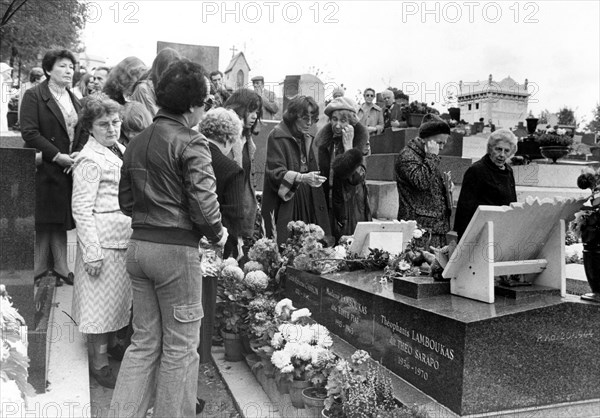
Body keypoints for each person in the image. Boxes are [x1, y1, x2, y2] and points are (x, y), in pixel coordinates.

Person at [112, 59, 227, 418]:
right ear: (193, 105)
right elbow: (205, 208)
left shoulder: (136, 141)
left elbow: (126, 202)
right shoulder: (193, 142)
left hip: (138, 248)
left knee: (144, 343)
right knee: (180, 347)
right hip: (176, 253)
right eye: (204, 103)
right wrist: (218, 233)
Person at [71, 95, 132, 388]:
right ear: (90, 128)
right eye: (103, 124)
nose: (111, 128)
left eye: (116, 122)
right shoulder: (88, 159)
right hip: (103, 243)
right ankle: (99, 362)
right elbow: (81, 209)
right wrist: (92, 253)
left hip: (123, 239)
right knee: (98, 307)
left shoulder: (119, 149)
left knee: (116, 303)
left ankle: (112, 346)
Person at [20, 49, 88, 286]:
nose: (69, 70)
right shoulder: (34, 96)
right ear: (48, 70)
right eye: (62, 66)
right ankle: (39, 267)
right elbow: (29, 132)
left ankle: (60, 266)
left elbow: (83, 129)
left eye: (71, 66)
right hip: (44, 166)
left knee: (60, 220)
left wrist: (77, 153)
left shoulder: (75, 98)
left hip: (67, 167)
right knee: (43, 220)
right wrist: (57, 155)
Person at [197, 107, 244, 363]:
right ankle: (201, 355)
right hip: (212, 243)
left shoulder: (190, 154)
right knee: (205, 299)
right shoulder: (230, 168)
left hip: (184, 239)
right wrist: (234, 247)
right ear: (229, 138)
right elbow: (234, 213)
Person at [262, 95, 331, 245]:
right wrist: (302, 178)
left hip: (307, 197)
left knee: (308, 245)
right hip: (288, 199)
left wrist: (314, 179)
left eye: (313, 118)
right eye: (305, 118)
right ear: (293, 116)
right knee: (288, 244)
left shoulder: (306, 137)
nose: (310, 123)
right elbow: (275, 173)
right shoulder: (277, 136)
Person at [317, 97, 372, 241]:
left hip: (350, 205)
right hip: (328, 205)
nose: (337, 125)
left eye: (343, 121)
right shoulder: (325, 143)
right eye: (334, 119)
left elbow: (357, 177)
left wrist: (349, 148)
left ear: (352, 123)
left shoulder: (360, 141)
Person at [394, 114, 452, 248]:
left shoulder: (425, 155)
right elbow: (421, 182)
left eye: (444, 143)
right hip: (419, 230)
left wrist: (446, 187)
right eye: (439, 142)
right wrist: (432, 156)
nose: (441, 147)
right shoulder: (407, 156)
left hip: (435, 228)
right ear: (424, 139)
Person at [454, 129, 517, 241]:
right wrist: (463, 239)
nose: (502, 155)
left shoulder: (508, 171)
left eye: (506, 151)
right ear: (490, 148)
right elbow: (464, 208)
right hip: (479, 232)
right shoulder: (477, 170)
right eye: (498, 149)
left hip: (500, 230)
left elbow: (512, 202)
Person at [224, 89, 262, 255]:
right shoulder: (225, 138)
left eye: (256, 112)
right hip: (223, 211)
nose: (254, 116)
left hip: (238, 211)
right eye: (251, 110)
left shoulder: (247, 141)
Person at [130, 48, 180, 117]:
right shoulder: (144, 89)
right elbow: (155, 119)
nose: (173, 76)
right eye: (170, 71)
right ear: (161, 70)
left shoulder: (168, 88)